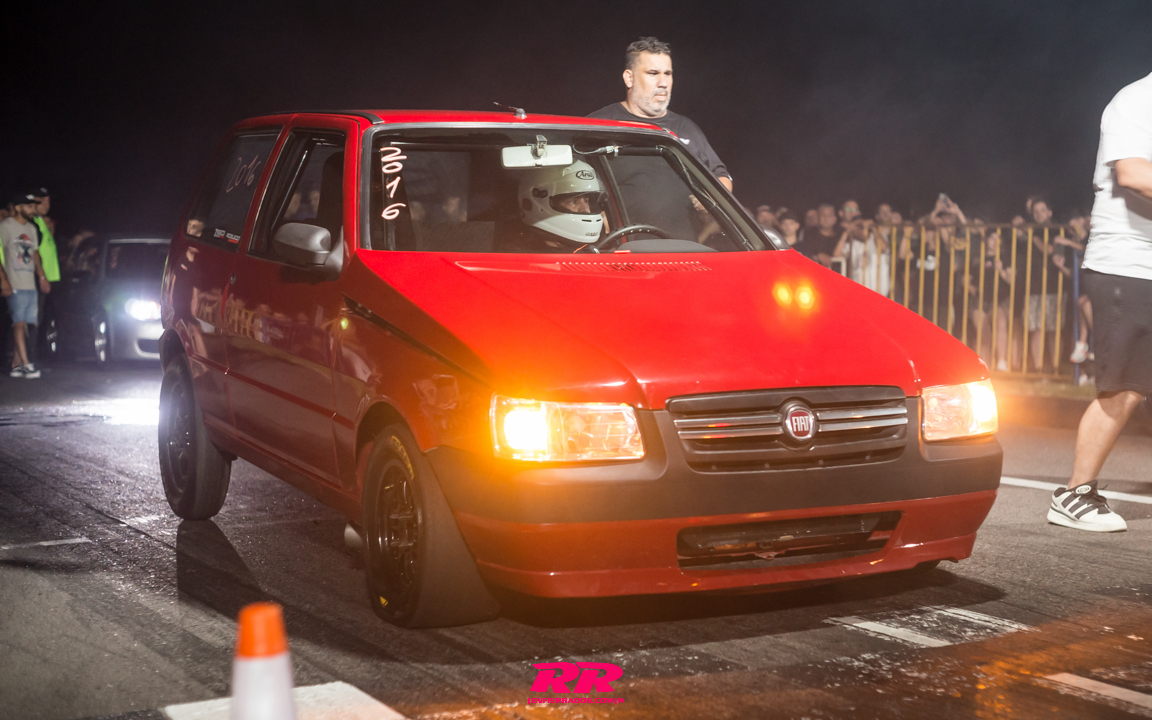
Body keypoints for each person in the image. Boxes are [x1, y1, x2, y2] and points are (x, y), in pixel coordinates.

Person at [1047, 71, 1152, 533]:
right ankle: (1073, 493)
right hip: (1126, 265)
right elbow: (1133, 173)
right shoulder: (1136, 99)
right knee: (1124, 386)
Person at [588, 37, 733, 191]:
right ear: (629, 78)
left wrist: (709, 198)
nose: (663, 83)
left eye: (667, 74)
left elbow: (721, 176)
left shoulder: (686, 128)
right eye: (653, 73)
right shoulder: (599, 125)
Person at [1, 192, 49, 378]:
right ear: (18, 207)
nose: (32, 210)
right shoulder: (6, 226)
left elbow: (35, 253)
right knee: (19, 323)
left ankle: (16, 364)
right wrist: (3, 279)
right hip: (15, 282)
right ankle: (27, 364)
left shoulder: (31, 228)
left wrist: (42, 276)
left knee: (27, 324)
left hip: (30, 284)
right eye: (29, 206)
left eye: (33, 206)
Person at [513, 160, 606, 251]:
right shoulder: (517, 255)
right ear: (535, 202)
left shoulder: (588, 251)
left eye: (586, 201)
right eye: (573, 201)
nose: (587, 210)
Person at [30, 187, 60, 362]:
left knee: (41, 319)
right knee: (33, 319)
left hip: (48, 278)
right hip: (38, 278)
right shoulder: (33, 223)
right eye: (42, 201)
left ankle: (34, 357)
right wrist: (41, 276)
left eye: (48, 201)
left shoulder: (42, 221)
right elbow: (34, 252)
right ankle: (28, 359)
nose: (47, 205)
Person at [794, 203, 839, 267]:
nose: (826, 218)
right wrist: (817, 255)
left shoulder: (840, 235)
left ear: (834, 219)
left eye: (829, 215)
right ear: (818, 217)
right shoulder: (808, 235)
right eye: (823, 215)